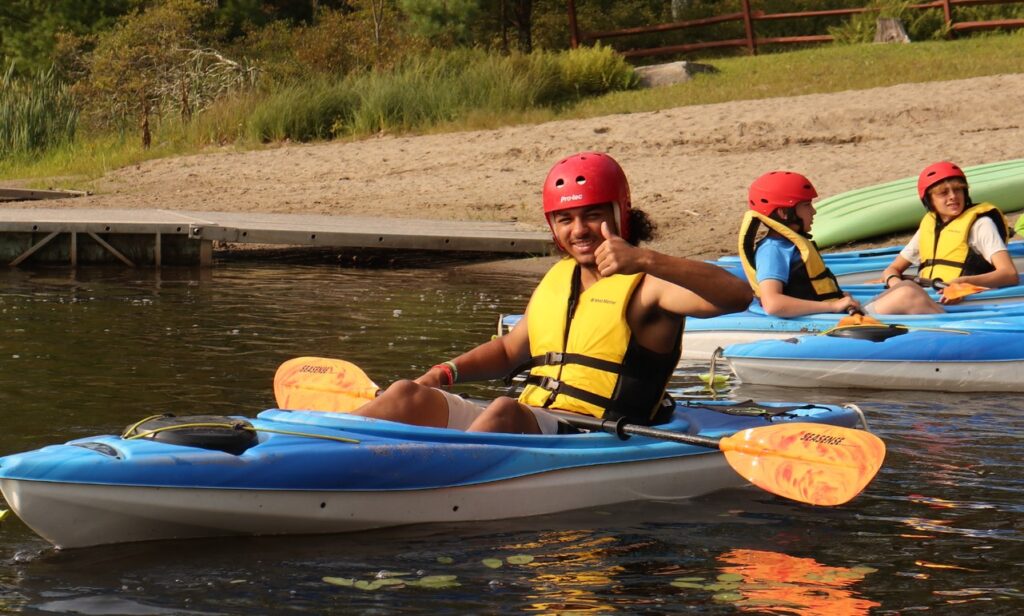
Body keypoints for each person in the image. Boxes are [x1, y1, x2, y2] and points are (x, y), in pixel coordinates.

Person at [350, 151, 752, 434]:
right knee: (407, 394)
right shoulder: (558, 279)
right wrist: (444, 373)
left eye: (592, 215)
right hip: (535, 420)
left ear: (619, 214)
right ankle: (316, 446)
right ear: (553, 226)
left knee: (505, 410)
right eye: (565, 219)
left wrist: (646, 259)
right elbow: (511, 350)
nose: (578, 230)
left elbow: (737, 295)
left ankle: (430, 482)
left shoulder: (650, 285)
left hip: (592, 434)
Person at [738, 170, 942, 317]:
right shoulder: (773, 250)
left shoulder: (788, 244)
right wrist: (833, 307)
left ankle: (948, 325)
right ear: (784, 213)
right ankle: (956, 334)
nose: (814, 211)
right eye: (807, 205)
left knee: (907, 286)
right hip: (827, 320)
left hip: (836, 313)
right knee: (907, 295)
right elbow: (773, 304)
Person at [878, 161, 1018, 297]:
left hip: (969, 298)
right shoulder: (930, 226)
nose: (952, 196)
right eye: (943, 193)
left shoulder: (981, 225)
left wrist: (964, 283)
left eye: (957, 190)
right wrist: (894, 282)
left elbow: (1009, 274)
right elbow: (892, 269)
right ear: (929, 200)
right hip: (928, 295)